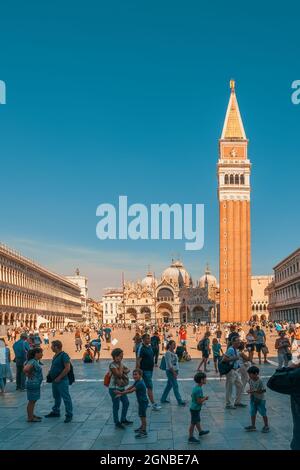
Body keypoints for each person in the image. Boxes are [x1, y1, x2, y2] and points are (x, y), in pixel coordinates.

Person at [115, 369, 149, 439]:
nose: (134, 376)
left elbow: (131, 391)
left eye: (136, 374)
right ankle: (142, 427)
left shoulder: (140, 383)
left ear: (140, 375)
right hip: (141, 402)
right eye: (133, 374)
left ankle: (144, 432)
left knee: (143, 417)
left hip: (143, 402)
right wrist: (122, 393)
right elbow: (130, 387)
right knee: (141, 415)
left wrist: (121, 393)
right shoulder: (137, 381)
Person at [45, 340, 73, 423]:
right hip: (55, 380)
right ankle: (56, 411)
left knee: (66, 397)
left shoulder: (64, 355)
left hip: (62, 380)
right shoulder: (55, 355)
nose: (51, 347)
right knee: (56, 397)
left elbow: (67, 368)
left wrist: (60, 377)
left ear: (56, 347)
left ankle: (69, 414)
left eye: (52, 346)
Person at [108, 348, 132, 429]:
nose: (121, 358)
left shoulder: (120, 364)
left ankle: (123, 419)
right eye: (119, 356)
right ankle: (116, 422)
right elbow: (119, 375)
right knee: (116, 405)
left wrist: (122, 369)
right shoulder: (112, 365)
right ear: (114, 356)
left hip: (121, 387)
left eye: (122, 356)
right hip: (114, 388)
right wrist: (122, 368)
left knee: (126, 402)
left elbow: (128, 370)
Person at [136, 334, 161, 410]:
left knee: (144, 387)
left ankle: (144, 402)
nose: (149, 340)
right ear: (143, 339)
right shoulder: (141, 348)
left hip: (150, 370)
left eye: (149, 338)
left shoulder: (149, 346)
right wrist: (137, 372)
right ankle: (153, 404)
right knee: (149, 387)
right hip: (144, 370)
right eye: (147, 338)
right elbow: (138, 360)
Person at [223, 336, 246, 409]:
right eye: (237, 341)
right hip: (231, 371)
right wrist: (234, 358)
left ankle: (237, 402)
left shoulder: (235, 349)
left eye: (239, 341)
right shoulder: (230, 349)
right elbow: (224, 359)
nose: (239, 342)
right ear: (233, 342)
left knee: (240, 385)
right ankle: (228, 404)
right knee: (229, 388)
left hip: (235, 371)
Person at [244, 365, 269, 433]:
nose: (249, 376)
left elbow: (264, 390)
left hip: (261, 400)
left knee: (263, 412)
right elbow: (249, 386)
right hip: (253, 399)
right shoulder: (250, 380)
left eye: (250, 374)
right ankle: (253, 426)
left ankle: (266, 425)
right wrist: (249, 391)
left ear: (256, 374)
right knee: (252, 412)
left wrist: (253, 391)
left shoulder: (260, 381)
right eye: (249, 374)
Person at [160, 340, 185, 406]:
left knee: (169, 385)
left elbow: (176, 362)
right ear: (170, 345)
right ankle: (179, 401)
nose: (175, 345)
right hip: (170, 371)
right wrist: (174, 372)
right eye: (173, 344)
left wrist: (177, 370)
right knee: (175, 386)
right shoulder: (168, 353)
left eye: (175, 344)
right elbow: (169, 364)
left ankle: (163, 399)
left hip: (174, 371)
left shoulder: (173, 352)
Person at [188, 372, 209, 444]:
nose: (206, 380)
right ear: (201, 380)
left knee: (197, 421)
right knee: (193, 423)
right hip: (195, 409)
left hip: (195, 408)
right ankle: (190, 437)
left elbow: (192, 395)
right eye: (205, 379)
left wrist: (200, 398)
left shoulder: (196, 387)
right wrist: (205, 398)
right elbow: (199, 401)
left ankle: (200, 431)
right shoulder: (199, 389)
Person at [23, 347, 43, 422]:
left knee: (33, 401)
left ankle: (31, 414)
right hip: (33, 383)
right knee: (32, 401)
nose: (42, 354)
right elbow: (25, 369)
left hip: (34, 383)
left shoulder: (32, 361)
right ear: (36, 354)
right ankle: (30, 417)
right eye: (41, 353)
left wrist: (28, 373)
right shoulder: (33, 361)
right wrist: (28, 373)